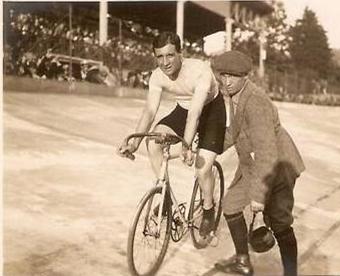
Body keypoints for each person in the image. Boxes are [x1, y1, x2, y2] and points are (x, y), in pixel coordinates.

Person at [117, 32, 226, 236]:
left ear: (180, 54)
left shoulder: (199, 71)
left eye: (170, 55)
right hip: (183, 108)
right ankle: (166, 198)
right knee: (154, 140)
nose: (165, 62)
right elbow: (150, 111)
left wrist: (186, 144)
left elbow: (195, 113)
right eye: (160, 57)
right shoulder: (157, 76)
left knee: (202, 169)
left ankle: (209, 209)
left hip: (211, 111)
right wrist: (134, 143)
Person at [212, 50, 305, 276]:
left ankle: (290, 273)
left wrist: (258, 195)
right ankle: (243, 262)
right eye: (223, 75)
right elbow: (235, 134)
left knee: (279, 223)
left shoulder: (255, 101)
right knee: (232, 205)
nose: (226, 81)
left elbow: (266, 151)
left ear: (245, 76)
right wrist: (207, 147)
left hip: (278, 167)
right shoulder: (236, 96)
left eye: (232, 76)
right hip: (255, 164)